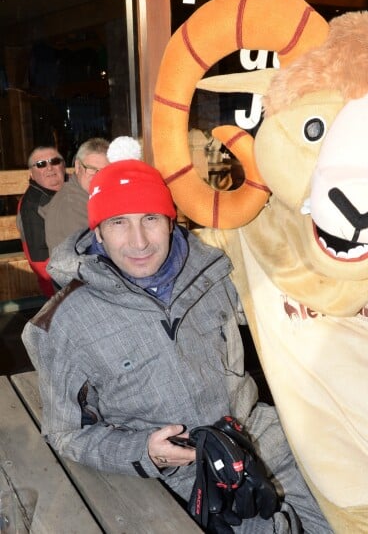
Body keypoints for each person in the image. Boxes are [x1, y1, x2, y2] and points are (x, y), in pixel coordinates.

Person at [21, 153, 331, 534]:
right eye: (118, 223)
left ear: (171, 222)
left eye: (151, 219)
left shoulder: (213, 272)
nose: (138, 241)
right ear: (98, 232)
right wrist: (145, 452)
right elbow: (66, 435)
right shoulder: (63, 322)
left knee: (349, 518)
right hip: (186, 477)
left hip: (264, 440)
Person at [41, 137, 109, 255]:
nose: (98, 177)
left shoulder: (86, 195)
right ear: (78, 167)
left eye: (105, 171)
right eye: (92, 169)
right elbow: (99, 251)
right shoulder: (71, 205)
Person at [16, 145, 66, 297]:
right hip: (61, 282)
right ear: (31, 174)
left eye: (55, 161)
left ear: (64, 165)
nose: (49, 168)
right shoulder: (32, 206)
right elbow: (40, 261)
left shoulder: (76, 188)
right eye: (41, 164)